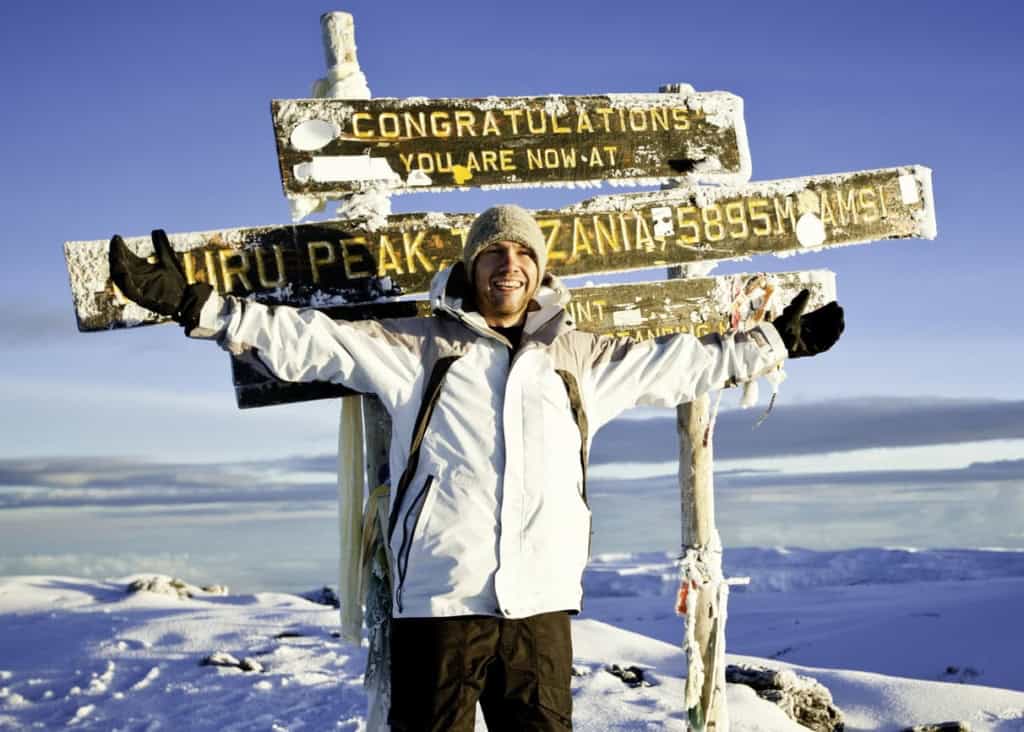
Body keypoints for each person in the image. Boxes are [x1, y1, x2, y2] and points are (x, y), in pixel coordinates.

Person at [109, 204, 844, 731]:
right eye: (495, 252)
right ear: (472, 266)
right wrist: (200, 307)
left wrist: (773, 345)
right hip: (440, 606)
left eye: (523, 254)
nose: (510, 265)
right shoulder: (420, 346)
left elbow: (680, 364)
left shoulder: (578, 358)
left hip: (541, 610)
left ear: (540, 271)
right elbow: (310, 341)